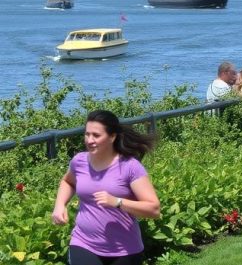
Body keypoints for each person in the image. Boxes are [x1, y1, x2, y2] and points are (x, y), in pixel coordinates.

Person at [52, 110, 161, 265]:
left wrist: (118, 202)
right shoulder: (79, 161)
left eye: (96, 135)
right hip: (83, 243)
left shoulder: (130, 167)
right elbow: (68, 182)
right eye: (87, 134)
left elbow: (154, 210)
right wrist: (59, 205)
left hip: (124, 249)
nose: (89, 140)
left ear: (112, 137)